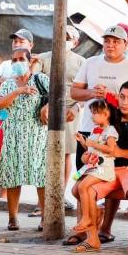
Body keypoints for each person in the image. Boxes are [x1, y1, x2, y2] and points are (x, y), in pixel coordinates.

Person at [71, 24, 128, 241]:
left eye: (116, 41)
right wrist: (92, 92)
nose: (110, 45)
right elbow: (74, 91)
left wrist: (113, 97)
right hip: (88, 128)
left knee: (111, 177)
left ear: (126, 44)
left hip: (118, 130)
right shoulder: (91, 62)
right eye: (107, 41)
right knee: (84, 175)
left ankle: (105, 229)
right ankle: (82, 230)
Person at [73, 80, 128, 254]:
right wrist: (87, 154)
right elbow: (97, 141)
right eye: (122, 97)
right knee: (80, 189)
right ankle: (92, 238)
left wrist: (120, 153)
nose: (124, 102)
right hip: (110, 168)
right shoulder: (110, 114)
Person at [0, 48, 50, 231]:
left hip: (36, 133)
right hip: (13, 133)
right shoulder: (8, 84)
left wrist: (45, 108)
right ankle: (12, 218)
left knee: (40, 175)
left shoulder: (40, 80)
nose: (17, 63)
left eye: (21, 59)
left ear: (29, 61)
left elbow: (58, 97)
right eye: (14, 60)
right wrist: (18, 91)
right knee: (12, 175)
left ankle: (44, 217)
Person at [35, 26, 85, 206]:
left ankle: (59, 197)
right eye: (59, 34)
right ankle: (43, 201)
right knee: (44, 154)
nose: (62, 39)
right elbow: (33, 82)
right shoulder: (42, 58)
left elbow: (86, 91)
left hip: (70, 111)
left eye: (67, 37)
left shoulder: (81, 62)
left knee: (65, 154)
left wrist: (78, 107)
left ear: (75, 42)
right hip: (46, 111)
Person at [71, 100, 119, 252]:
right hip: (93, 167)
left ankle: (87, 218)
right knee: (75, 189)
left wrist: (92, 144)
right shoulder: (95, 129)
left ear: (106, 115)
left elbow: (111, 150)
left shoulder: (111, 131)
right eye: (92, 113)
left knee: (84, 186)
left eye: (95, 113)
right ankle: (95, 212)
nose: (92, 116)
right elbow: (91, 147)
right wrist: (84, 142)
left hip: (104, 168)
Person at [0, 28, 35, 95]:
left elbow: (35, 88)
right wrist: (16, 86)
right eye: (15, 41)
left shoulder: (37, 62)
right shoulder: (5, 64)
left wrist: (3, 81)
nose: (17, 44)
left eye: (21, 42)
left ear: (31, 45)